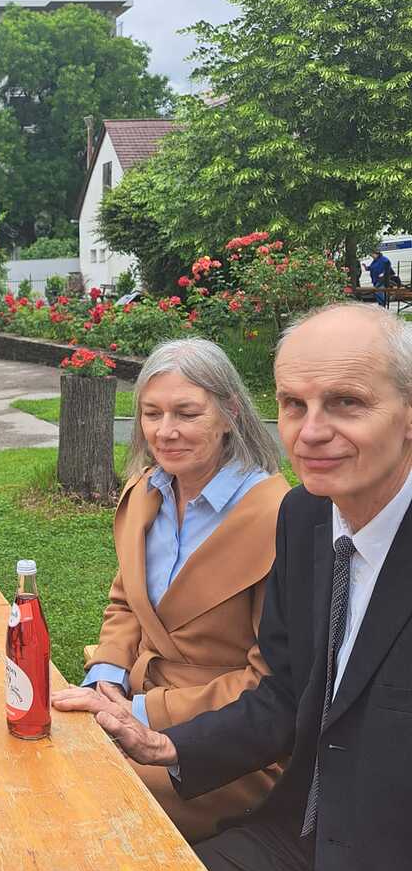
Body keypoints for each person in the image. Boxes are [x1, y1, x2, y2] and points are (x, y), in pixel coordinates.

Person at [64, 303, 412, 871]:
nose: (311, 431)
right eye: (293, 404)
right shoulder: (306, 516)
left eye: (347, 402)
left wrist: (150, 712)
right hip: (299, 826)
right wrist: (166, 746)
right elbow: (286, 693)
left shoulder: (272, 511)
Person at [52, 339, 289, 840]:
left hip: (226, 746)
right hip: (132, 702)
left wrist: (141, 712)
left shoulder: (278, 518)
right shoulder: (146, 492)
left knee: (78, 798)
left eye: (187, 413)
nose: (165, 431)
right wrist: (106, 678)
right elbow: (126, 602)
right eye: (151, 413)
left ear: (230, 413)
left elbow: (270, 684)